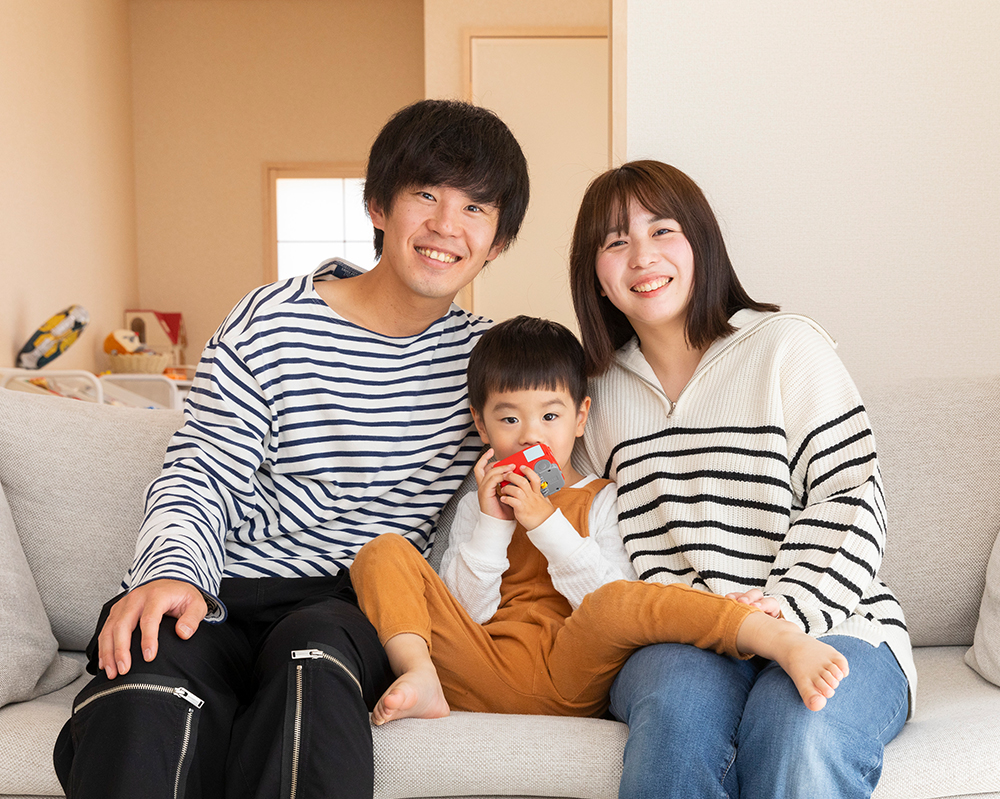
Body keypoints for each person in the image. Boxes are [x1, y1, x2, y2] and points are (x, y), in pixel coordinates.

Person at [52, 99, 530, 799]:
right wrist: (172, 572)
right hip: (222, 587)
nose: (446, 226)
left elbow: (569, 422)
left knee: (314, 676)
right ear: (378, 205)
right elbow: (202, 469)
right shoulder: (269, 322)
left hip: (347, 605)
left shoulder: (487, 365)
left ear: (498, 241)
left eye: (475, 208)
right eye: (426, 195)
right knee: (146, 689)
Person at [568, 159, 915, 799]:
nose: (642, 256)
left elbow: (851, 499)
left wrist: (784, 607)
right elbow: (585, 531)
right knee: (676, 720)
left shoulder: (787, 346)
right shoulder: (594, 394)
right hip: (682, 639)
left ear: (702, 242)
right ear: (596, 276)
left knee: (800, 730)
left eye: (662, 230)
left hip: (834, 620)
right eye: (615, 242)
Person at [349, 315, 849, 727]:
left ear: (581, 417)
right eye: (509, 419)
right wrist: (492, 524)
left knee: (618, 599)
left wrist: (545, 523)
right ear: (481, 424)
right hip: (474, 668)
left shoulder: (603, 497)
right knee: (383, 551)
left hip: (569, 675)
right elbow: (466, 613)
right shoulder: (477, 506)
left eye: (550, 417)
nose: (529, 436)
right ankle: (418, 675)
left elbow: (608, 606)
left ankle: (770, 635)